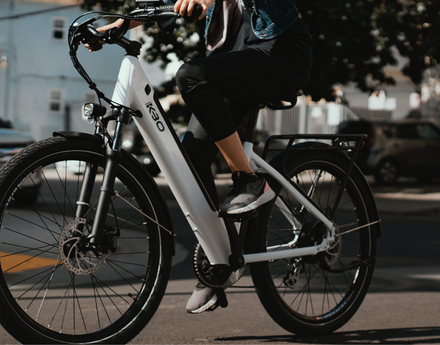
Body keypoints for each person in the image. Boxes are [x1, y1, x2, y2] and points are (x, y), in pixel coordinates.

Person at [88, 0, 313, 314]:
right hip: (234, 63)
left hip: (280, 54)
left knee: (190, 75)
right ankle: (219, 258)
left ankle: (249, 179)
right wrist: (119, 25)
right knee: (191, 156)